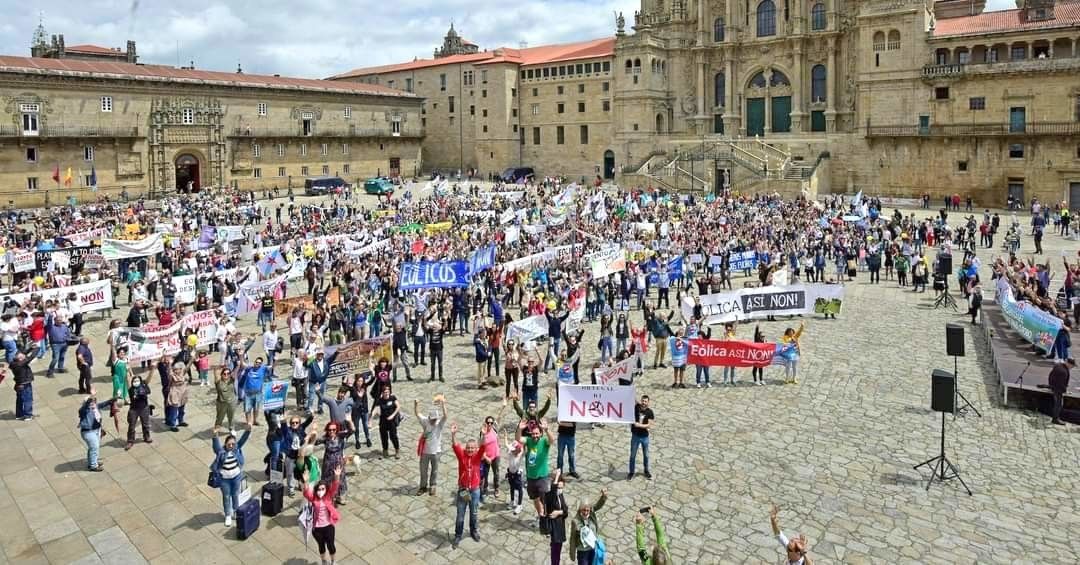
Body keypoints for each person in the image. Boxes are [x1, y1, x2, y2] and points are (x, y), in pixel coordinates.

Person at [450, 421, 484, 549]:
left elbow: (483, 447)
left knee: (474, 513)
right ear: (466, 448)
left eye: (472, 448)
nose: (470, 449)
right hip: (463, 490)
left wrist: (484, 436)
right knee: (460, 515)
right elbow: (456, 446)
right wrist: (453, 434)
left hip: (475, 490)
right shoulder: (462, 456)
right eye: (468, 447)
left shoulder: (477, 457)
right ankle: (458, 535)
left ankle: (473, 531)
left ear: (475, 449)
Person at [517, 415, 555, 528]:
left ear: (540, 434)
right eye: (533, 434)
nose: (535, 436)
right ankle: (541, 516)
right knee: (535, 499)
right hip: (531, 477)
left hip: (542, 477)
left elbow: (552, 440)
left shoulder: (544, 441)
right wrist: (519, 429)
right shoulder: (528, 440)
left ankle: (548, 522)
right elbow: (519, 439)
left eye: (537, 433)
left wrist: (547, 429)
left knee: (544, 501)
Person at [210, 427, 252, 527]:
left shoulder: (236, 449)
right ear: (225, 444)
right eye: (229, 444)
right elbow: (216, 447)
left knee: (235, 495)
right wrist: (215, 436)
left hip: (236, 477)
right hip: (225, 479)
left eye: (233, 444)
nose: (231, 446)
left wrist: (248, 430)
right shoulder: (221, 452)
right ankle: (228, 515)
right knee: (226, 496)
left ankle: (236, 511)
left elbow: (243, 440)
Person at [303, 465, 344, 565]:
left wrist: (337, 476)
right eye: (319, 489)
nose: (320, 491)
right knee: (321, 546)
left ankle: (333, 561)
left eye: (323, 489)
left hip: (328, 526)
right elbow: (306, 493)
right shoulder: (313, 498)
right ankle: (324, 561)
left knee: (331, 546)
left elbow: (335, 485)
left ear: (326, 490)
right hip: (317, 528)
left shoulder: (328, 496)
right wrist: (306, 481)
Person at [415, 397, 447, 496]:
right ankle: (423, 487)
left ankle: (433, 486)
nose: (434, 421)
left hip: (436, 452)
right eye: (432, 419)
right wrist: (416, 404)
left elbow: (445, 416)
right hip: (425, 451)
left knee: (435, 470)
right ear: (429, 418)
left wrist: (443, 404)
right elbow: (417, 413)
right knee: (423, 470)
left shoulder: (439, 424)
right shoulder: (425, 421)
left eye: (435, 419)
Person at [568, 488, 608, 565]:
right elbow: (572, 538)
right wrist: (572, 553)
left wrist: (604, 496)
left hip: (592, 547)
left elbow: (598, 505)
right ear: (580, 510)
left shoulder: (591, 514)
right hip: (582, 550)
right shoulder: (575, 521)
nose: (586, 512)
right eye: (584, 510)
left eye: (587, 510)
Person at [315, 421, 351, 505]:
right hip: (327, 463)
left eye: (334, 429)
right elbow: (315, 442)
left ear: (337, 429)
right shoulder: (325, 438)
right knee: (327, 480)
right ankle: (328, 497)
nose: (332, 431)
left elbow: (351, 431)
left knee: (340, 479)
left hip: (338, 462)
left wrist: (349, 422)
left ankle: (340, 497)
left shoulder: (340, 436)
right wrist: (314, 431)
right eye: (329, 430)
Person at [78, 389, 113, 471]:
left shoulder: (95, 407)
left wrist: (113, 399)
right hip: (88, 432)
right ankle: (93, 466)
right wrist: (91, 396)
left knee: (92, 448)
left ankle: (92, 461)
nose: (93, 403)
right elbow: (86, 406)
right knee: (94, 447)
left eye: (94, 402)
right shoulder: (83, 411)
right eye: (91, 402)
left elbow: (104, 404)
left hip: (97, 430)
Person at [282, 413, 316, 496]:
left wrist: (311, 416)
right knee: (290, 474)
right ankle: (291, 488)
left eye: (296, 422)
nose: (295, 424)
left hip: (300, 456)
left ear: (299, 423)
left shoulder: (301, 428)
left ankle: (300, 484)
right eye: (293, 423)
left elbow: (307, 422)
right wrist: (283, 420)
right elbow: (284, 428)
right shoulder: (288, 431)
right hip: (290, 456)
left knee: (301, 471)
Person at [544, 471, 569, 565]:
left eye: (562, 488)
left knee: (558, 551)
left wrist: (559, 512)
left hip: (560, 528)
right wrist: (557, 476)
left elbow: (566, 511)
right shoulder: (550, 496)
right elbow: (553, 489)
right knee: (555, 553)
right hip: (554, 530)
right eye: (559, 487)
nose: (560, 490)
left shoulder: (560, 496)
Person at [628, 395, 654, 480]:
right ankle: (631, 472)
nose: (644, 403)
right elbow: (632, 398)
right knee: (632, 455)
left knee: (646, 455)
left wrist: (639, 425)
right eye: (643, 401)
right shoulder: (637, 407)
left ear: (648, 402)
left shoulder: (650, 412)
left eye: (645, 401)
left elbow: (649, 425)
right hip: (635, 436)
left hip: (644, 437)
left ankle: (646, 471)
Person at [371, 386, 401, 458]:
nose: (386, 393)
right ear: (382, 393)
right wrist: (370, 418)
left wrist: (393, 415)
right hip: (383, 422)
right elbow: (375, 409)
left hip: (392, 422)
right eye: (385, 392)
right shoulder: (380, 400)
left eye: (388, 392)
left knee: (393, 437)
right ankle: (385, 450)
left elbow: (398, 406)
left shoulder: (392, 398)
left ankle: (397, 450)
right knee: (384, 437)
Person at [239, 356, 269, 425]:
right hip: (248, 393)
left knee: (256, 408)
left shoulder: (263, 369)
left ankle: (255, 420)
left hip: (258, 392)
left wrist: (275, 360)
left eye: (259, 363)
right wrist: (241, 356)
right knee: (247, 408)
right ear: (254, 362)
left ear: (261, 364)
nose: (257, 363)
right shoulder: (249, 368)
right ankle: (248, 422)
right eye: (256, 362)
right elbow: (243, 364)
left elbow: (271, 367)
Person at [125, 374, 152, 450]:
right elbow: (127, 380)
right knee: (131, 426)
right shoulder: (131, 389)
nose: (136, 382)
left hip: (144, 408)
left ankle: (146, 437)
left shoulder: (143, 387)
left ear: (140, 381)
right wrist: (127, 371)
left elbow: (148, 387)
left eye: (137, 381)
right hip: (134, 409)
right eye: (134, 381)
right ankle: (130, 441)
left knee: (146, 424)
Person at [1048, 357, 1075, 426]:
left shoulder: (1058, 365)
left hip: (1054, 387)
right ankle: (1055, 419)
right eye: (1072, 366)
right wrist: (1064, 391)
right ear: (1068, 364)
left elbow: (1050, 376)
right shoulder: (1063, 371)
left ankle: (1055, 418)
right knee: (1059, 404)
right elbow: (1061, 384)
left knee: (1058, 404)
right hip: (1058, 390)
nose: (1072, 367)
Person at [165, 362, 189, 431]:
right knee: (174, 409)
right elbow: (169, 372)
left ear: (181, 369)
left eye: (177, 369)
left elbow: (187, 366)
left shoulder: (183, 373)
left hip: (183, 392)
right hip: (175, 392)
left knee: (182, 408)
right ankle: (173, 425)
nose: (175, 371)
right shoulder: (172, 375)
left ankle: (181, 421)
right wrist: (169, 364)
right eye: (174, 369)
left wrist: (192, 358)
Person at [214, 367, 237, 433]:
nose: (226, 375)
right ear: (221, 374)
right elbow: (216, 374)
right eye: (224, 374)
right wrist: (216, 369)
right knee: (219, 417)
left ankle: (231, 428)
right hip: (221, 403)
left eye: (228, 373)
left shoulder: (232, 380)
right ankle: (217, 428)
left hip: (231, 402)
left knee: (231, 416)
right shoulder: (218, 382)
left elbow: (235, 371)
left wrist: (238, 365)